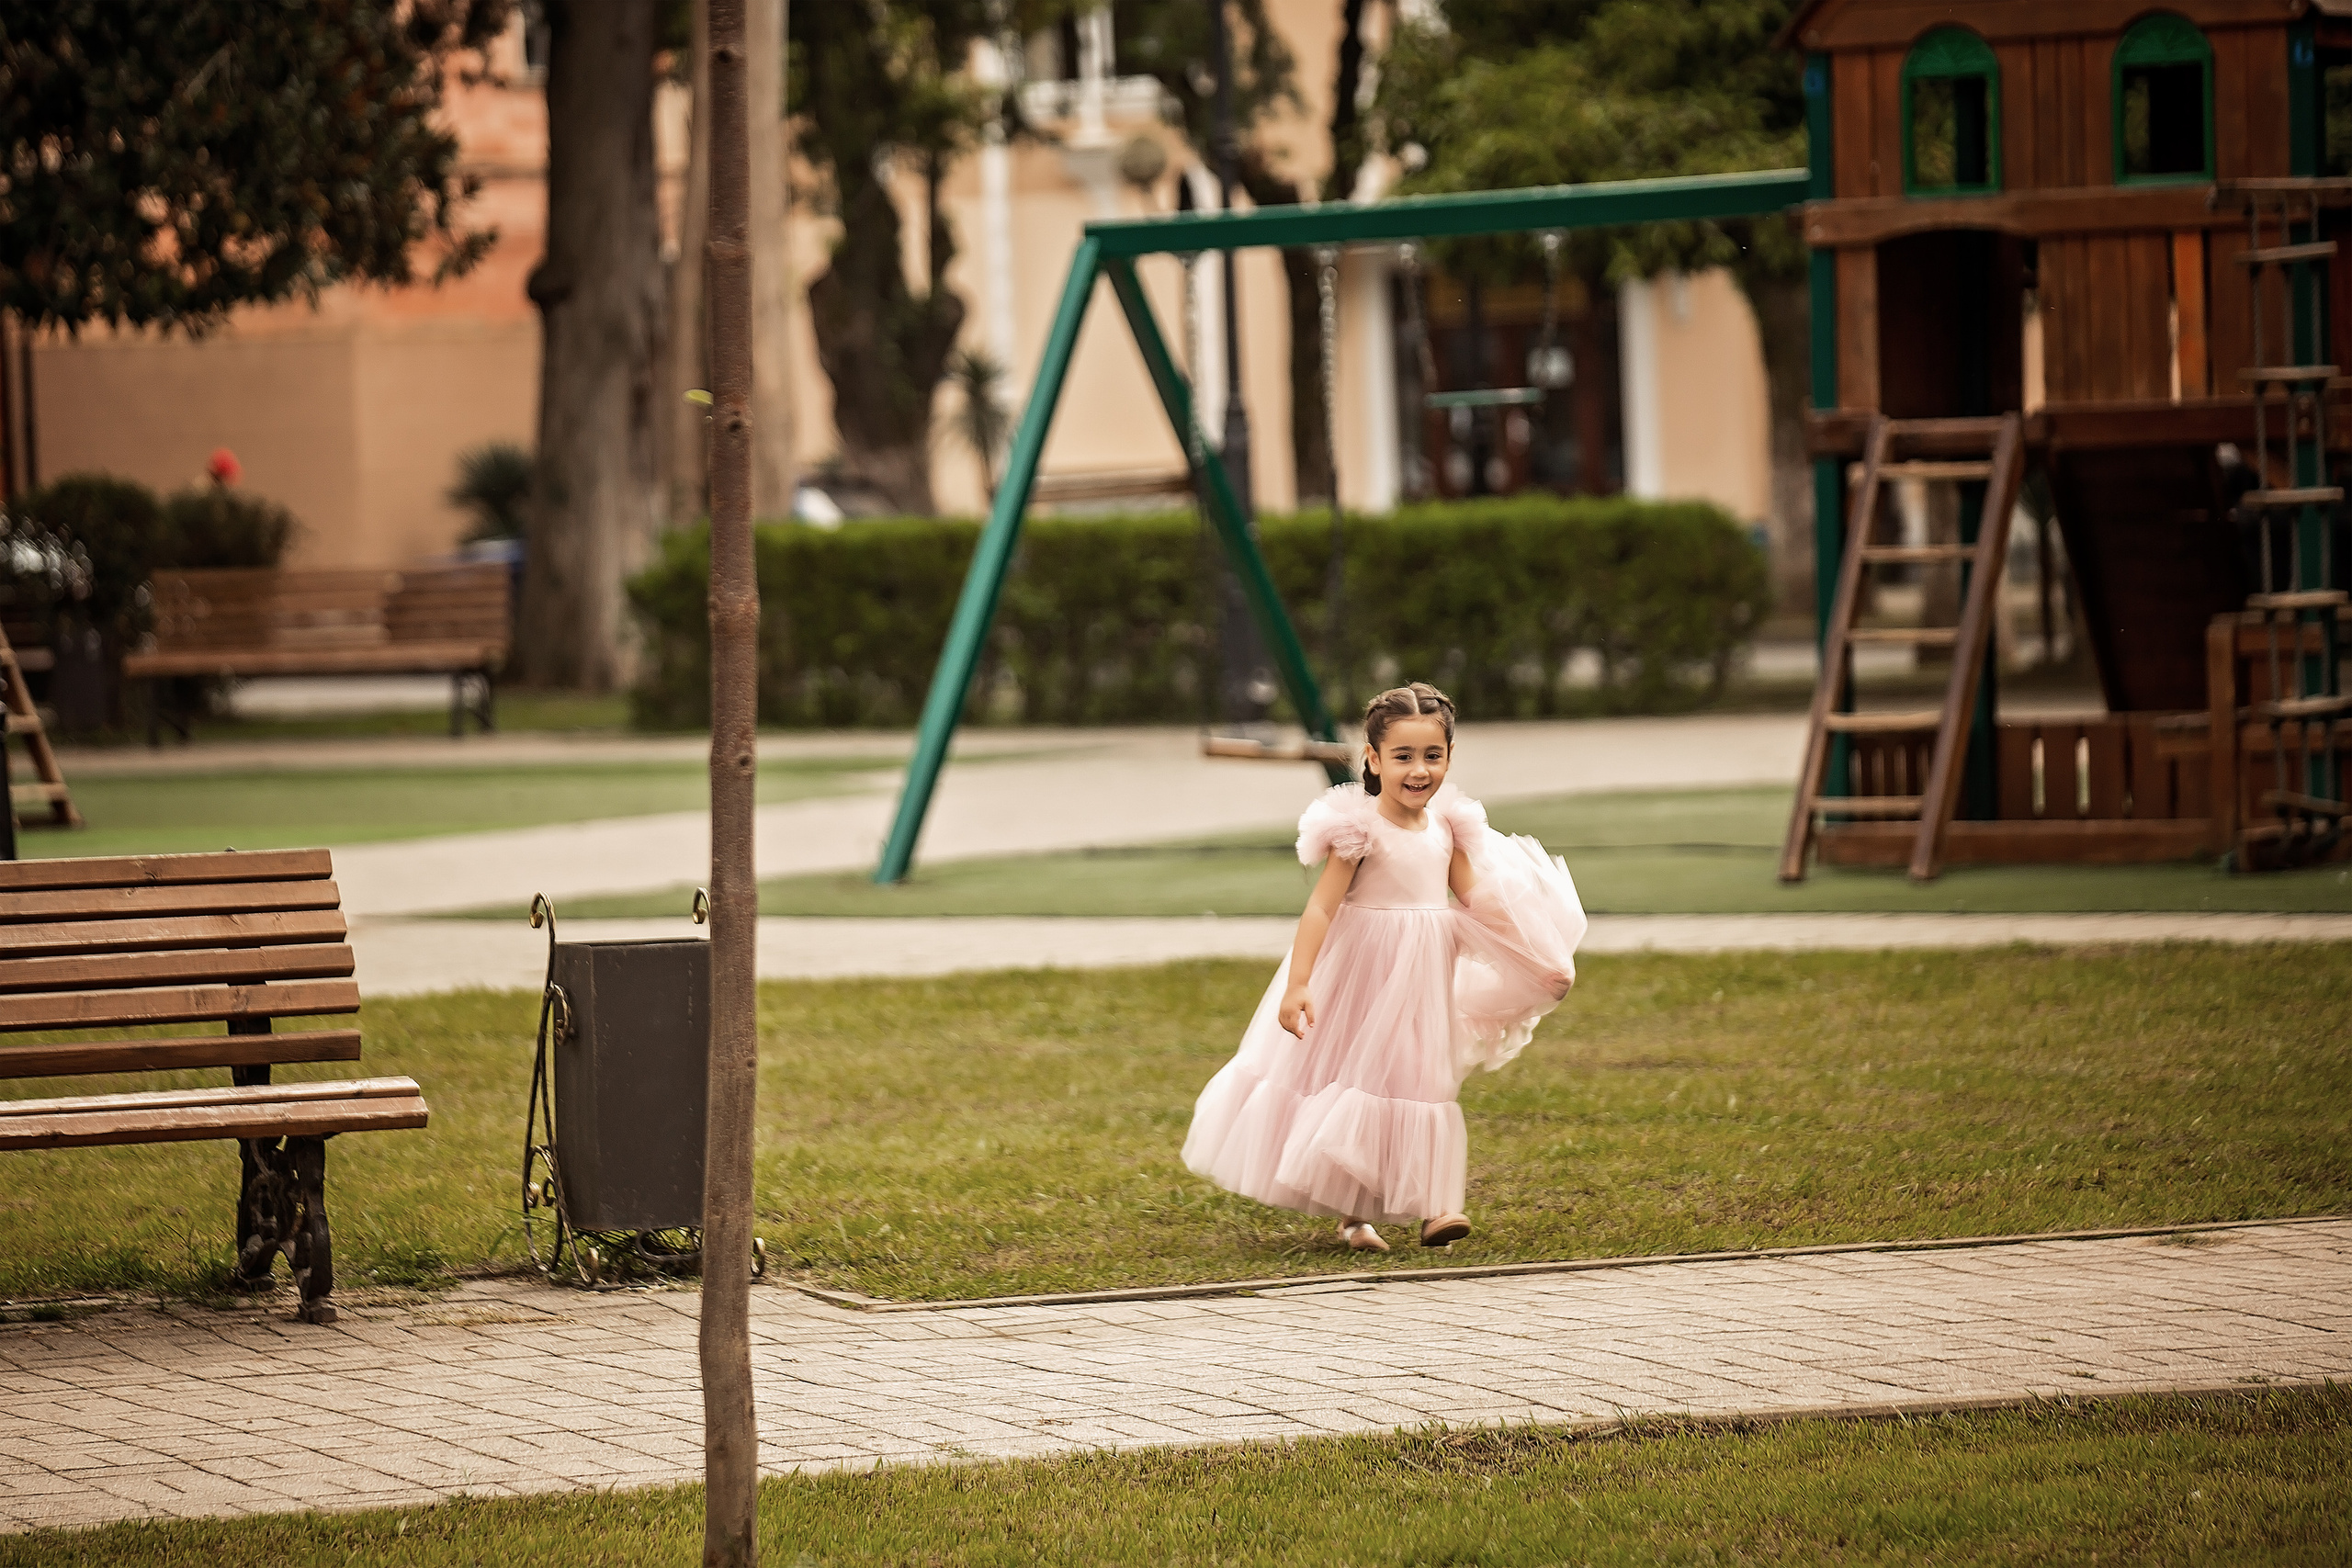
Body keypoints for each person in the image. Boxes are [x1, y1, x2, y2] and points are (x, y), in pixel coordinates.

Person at [1182, 682, 1587, 1253]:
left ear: (1448, 757)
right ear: (1373, 760)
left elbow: (1479, 901)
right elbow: (1321, 907)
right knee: (1360, 1079)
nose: (1418, 771)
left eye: (1432, 756)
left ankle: (1435, 1208)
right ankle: (1352, 1214)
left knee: (1424, 1077)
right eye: (1402, 757)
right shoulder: (1358, 830)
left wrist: (1536, 955)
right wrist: (1298, 984)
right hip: (1361, 974)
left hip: (1423, 972)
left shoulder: (1450, 828)